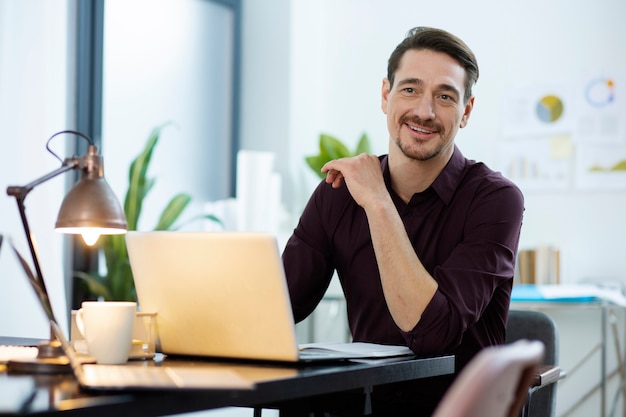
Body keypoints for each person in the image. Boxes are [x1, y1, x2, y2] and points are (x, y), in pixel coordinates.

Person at [282, 26, 524, 416]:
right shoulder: (339, 192)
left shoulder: (495, 200)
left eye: (445, 96)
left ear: (466, 111)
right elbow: (281, 305)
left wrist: (378, 203)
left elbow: (431, 333)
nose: (424, 112)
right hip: (364, 402)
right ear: (385, 95)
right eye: (410, 89)